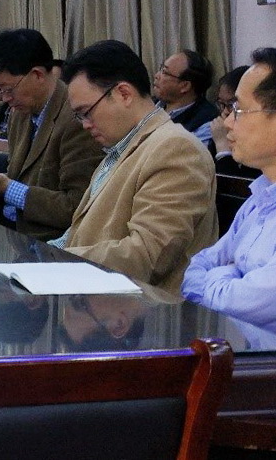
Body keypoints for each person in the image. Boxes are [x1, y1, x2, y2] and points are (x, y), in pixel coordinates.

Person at [58, 40, 216, 294]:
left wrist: (57, 261)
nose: (85, 124)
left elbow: (148, 255)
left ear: (124, 93)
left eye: (86, 112)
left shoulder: (176, 148)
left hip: (139, 308)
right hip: (100, 295)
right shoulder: (124, 145)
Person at [0, 29, 103, 240]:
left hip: (51, 244)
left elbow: (76, 207)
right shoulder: (20, 114)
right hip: (9, 231)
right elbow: (19, 177)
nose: (4, 99)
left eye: (7, 89)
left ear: (37, 75)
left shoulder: (78, 118)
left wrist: (7, 188)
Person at [182, 48, 276, 325]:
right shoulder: (260, 197)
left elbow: (246, 303)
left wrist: (224, 274)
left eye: (238, 110)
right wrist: (230, 274)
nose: (227, 123)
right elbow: (194, 270)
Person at [152, 48, 218, 143]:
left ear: (185, 86)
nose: (157, 76)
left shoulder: (206, 123)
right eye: (161, 69)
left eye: (165, 72)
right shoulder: (150, 104)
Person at [207, 65, 262, 178]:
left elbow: (238, 186)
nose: (225, 112)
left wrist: (223, 148)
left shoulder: (260, 139)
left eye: (232, 105)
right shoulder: (221, 129)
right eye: (221, 104)